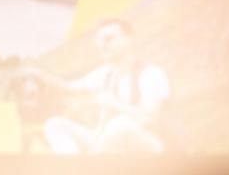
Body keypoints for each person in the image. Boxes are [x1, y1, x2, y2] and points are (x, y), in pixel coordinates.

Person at [43, 19, 170, 154]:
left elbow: (150, 118)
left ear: (128, 40)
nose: (102, 45)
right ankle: (75, 168)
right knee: (55, 124)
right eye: (99, 40)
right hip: (104, 141)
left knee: (120, 125)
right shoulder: (104, 73)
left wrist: (115, 104)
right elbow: (69, 88)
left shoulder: (151, 73)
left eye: (109, 39)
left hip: (144, 143)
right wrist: (41, 77)